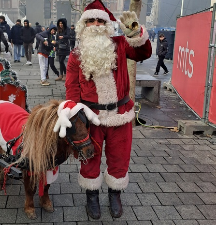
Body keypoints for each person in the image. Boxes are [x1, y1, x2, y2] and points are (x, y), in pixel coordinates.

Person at [65, 0, 151, 220]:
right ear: (84, 25)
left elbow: (144, 53)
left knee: (120, 158)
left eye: (100, 20)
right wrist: (76, 116)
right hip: (91, 117)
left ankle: (115, 194)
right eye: (91, 20)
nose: (96, 24)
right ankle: (91, 196)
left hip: (120, 115)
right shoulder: (76, 55)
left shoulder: (121, 44)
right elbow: (72, 88)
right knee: (90, 158)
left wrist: (135, 32)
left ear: (107, 23)